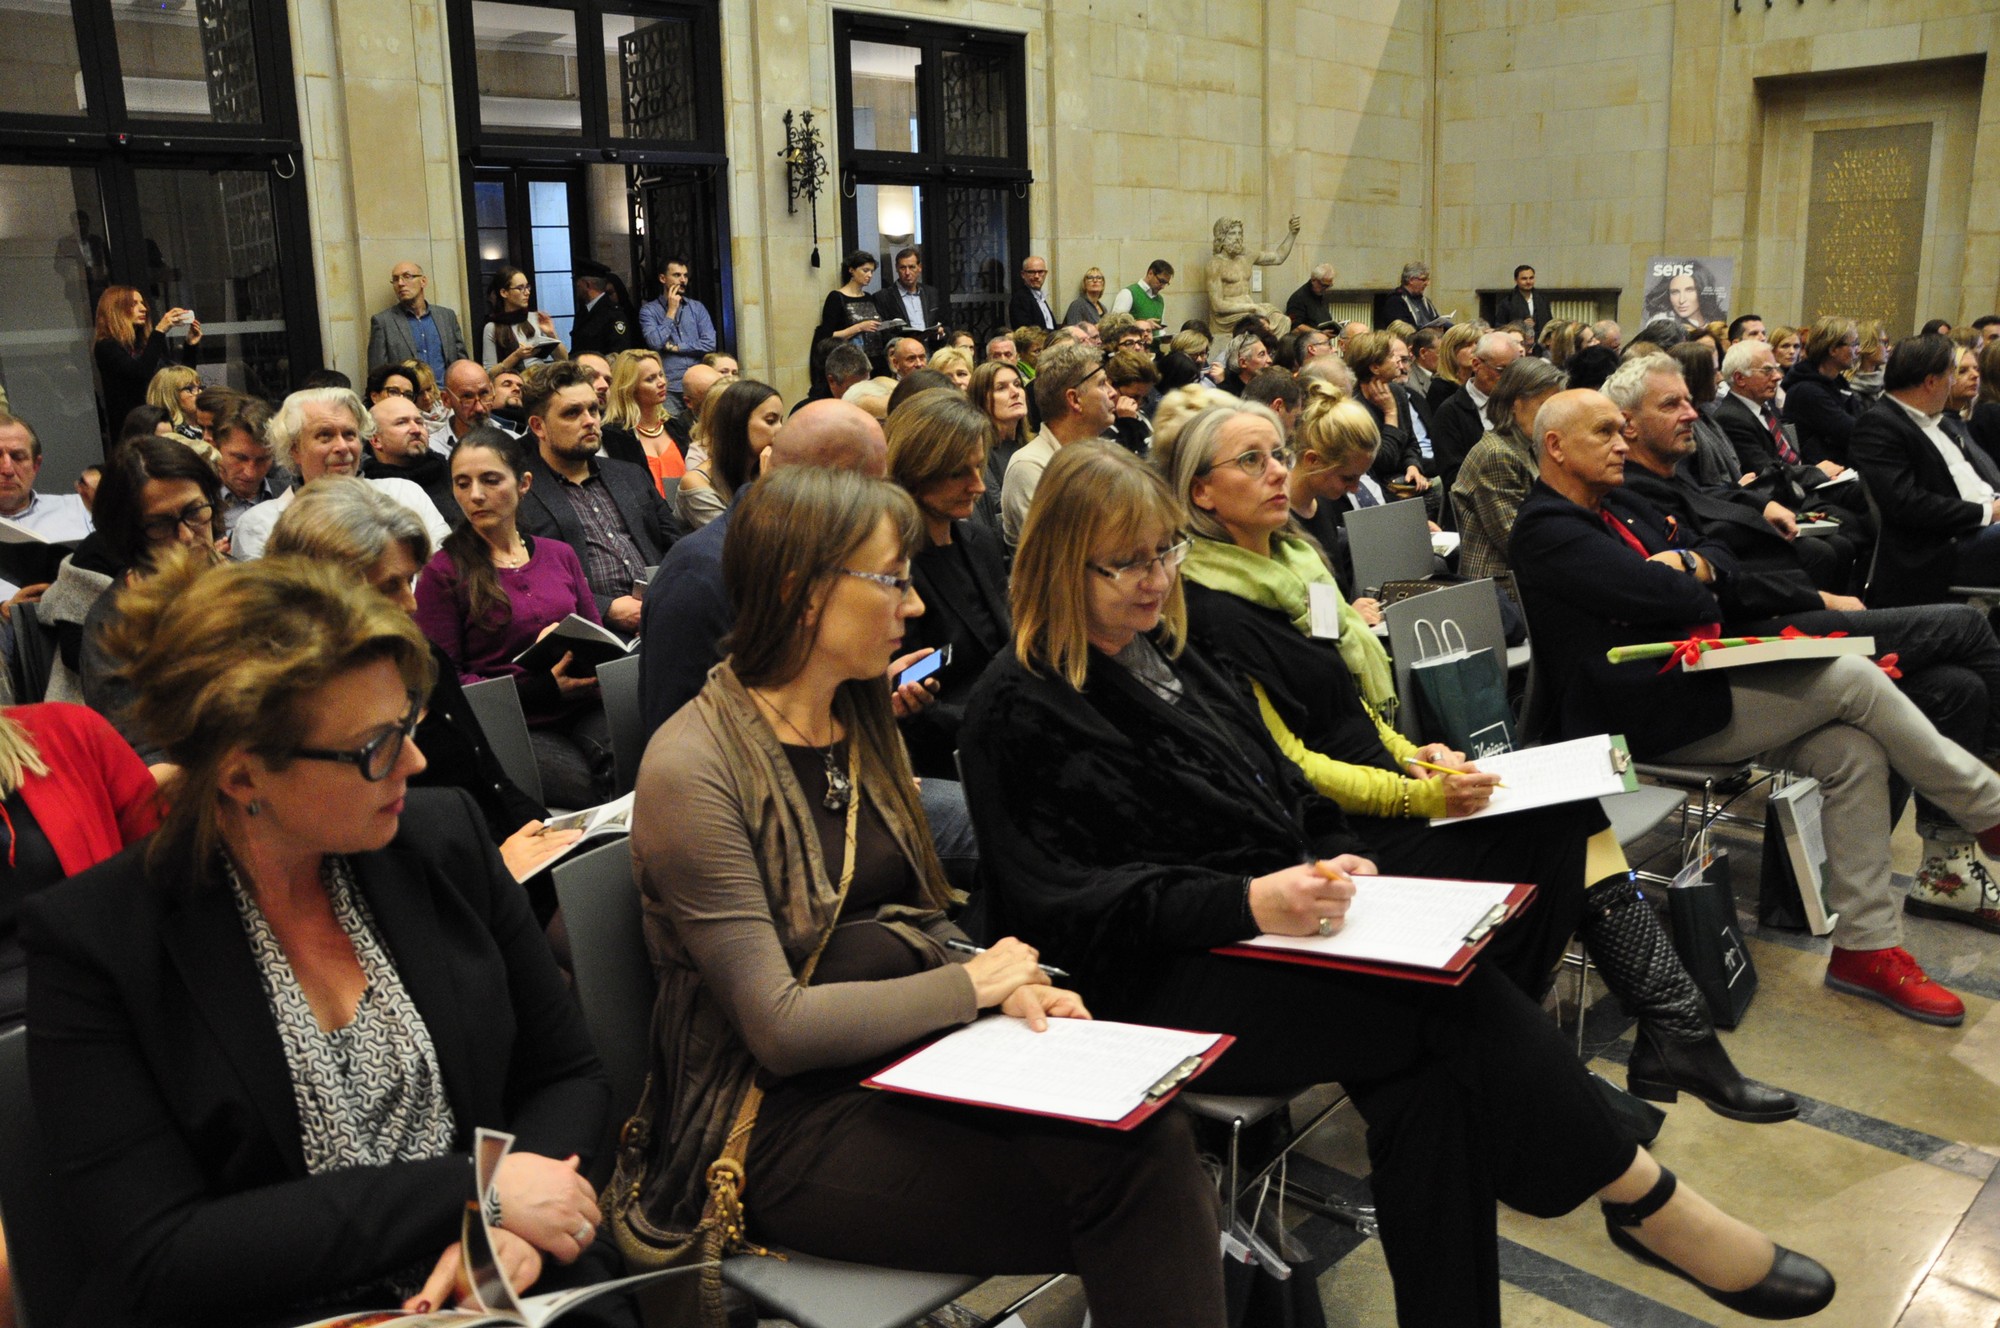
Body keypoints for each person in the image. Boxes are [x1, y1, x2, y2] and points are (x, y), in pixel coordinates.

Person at [958, 440, 1834, 1326]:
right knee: (1441, 1006)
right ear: (1063, 564)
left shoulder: (1174, 653)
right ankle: (1643, 1200)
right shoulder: (1020, 703)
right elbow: (1060, 905)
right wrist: (1247, 900)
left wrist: (1340, 852)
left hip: (1269, 927)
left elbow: (1287, 786)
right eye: (1127, 564)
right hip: (1156, 976)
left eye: (1163, 553)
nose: (1154, 580)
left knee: (1430, 1079)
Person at [628, 463, 1225, 1326]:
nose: (914, 607)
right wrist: (970, 985)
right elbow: (780, 1029)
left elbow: (913, 913)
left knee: (1149, 1134)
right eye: (894, 581)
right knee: (1140, 1186)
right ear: (802, 592)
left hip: (908, 1056)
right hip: (771, 1122)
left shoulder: (854, 711)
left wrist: (1005, 979)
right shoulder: (694, 768)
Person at [1162, 394, 1789, 1121]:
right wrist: (1423, 794)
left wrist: (1419, 754)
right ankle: (1573, 1057)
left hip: (1390, 780)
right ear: (1201, 492)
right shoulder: (1208, 607)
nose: (1277, 471)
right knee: (1550, 832)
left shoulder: (1296, 564)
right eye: (1251, 461)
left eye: (1276, 453)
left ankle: (1620, 1045)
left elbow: (1352, 711)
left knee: (1565, 813)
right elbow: (1293, 763)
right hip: (1336, 830)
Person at [25, 553, 616, 1322]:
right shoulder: (98, 941)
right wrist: (477, 1192)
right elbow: (162, 1249)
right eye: (375, 747)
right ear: (242, 778)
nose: (416, 759)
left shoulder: (440, 841)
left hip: (493, 1282)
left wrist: (505, 1236)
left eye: (406, 723)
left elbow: (568, 1074)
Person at [1512, 387, 2000, 1025]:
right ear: (1555, 447)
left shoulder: (1622, 503)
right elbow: (1675, 598)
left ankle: (1867, 949)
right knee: (1853, 680)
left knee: (1853, 752)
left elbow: (1720, 562)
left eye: (1622, 431)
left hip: (1698, 689)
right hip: (1638, 723)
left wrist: (1696, 567)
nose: (1622, 443)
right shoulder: (1545, 529)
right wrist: (1696, 582)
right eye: (1604, 432)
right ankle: (1988, 808)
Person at [267, 478, 575, 899]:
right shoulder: (300, 707)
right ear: (319, 591)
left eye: (408, 581)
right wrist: (497, 870)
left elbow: (493, 783)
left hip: (504, 864)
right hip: (448, 893)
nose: (410, 604)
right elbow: (367, 873)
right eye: (387, 587)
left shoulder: (420, 655)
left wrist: (552, 834)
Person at [417, 426, 615, 811]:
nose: (475, 495)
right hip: (515, 720)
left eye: (490, 480)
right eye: (462, 483)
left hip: (582, 703)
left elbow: (599, 637)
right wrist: (540, 687)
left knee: (631, 758)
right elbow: (444, 680)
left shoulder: (558, 554)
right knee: (585, 792)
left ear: (524, 483)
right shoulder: (443, 572)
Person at [885, 390, 1009, 780]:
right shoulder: (893, 566)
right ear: (917, 472)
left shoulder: (979, 540)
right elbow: (911, 700)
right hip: (944, 759)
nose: (978, 486)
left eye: (979, 467)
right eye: (960, 473)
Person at [515, 361, 674, 634]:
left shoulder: (630, 475)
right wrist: (605, 608)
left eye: (593, 409)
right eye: (572, 413)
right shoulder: (522, 496)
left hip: (664, 611)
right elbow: (529, 586)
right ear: (538, 427)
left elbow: (677, 543)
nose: (589, 420)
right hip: (592, 632)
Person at [1852, 334, 2000, 606]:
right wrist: (1986, 512)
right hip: (1940, 548)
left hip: (1978, 528)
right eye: (1951, 375)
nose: (1953, 383)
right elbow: (1905, 503)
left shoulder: (1942, 421)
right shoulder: (1879, 426)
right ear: (1932, 382)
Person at [230, 388, 452, 562]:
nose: (343, 447)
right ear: (294, 449)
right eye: (325, 436)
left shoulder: (405, 494)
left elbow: (444, 575)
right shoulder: (261, 524)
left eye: (349, 434)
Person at [1453, 356, 1569, 579]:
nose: (1553, 418)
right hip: (1500, 590)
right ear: (1516, 404)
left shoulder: (1529, 446)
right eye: (1545, 407)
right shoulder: (1497, 454)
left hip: (1526, 578)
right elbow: (1518, 542)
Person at [1001, 342, 1117, 546]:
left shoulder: (1106, 452)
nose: (1113, 392)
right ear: (1074, 399)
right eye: (1101, 384)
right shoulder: (1029, 466)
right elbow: (1061, 555)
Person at [92, 285, 198, 454]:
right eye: (134, 304)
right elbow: (140, 373)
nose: (143, 309)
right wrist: (160, 331)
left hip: (163, 425)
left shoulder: (145, 345)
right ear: (116, 309)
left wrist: (190, 346)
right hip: (136, 435)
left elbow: (177, 383)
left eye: (143, 303)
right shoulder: (107, 346)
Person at [675, 378, 782, 532]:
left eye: (781, 420)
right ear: (738, 424)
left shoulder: (763, 468)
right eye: (770, 421)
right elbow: (741, 546)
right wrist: (765, 489)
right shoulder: (697, 483)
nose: (781, 429)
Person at [597, 349, 686, 497]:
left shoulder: (679, 427)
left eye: (661, 375)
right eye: (650, 379)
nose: (662, 383)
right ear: (630, 387)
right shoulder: (613, 436)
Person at [363, 391, 458, 521]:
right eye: (402, 422)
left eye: (419, 422)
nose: (416, 430)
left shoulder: (451, 472)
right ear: (375, 440)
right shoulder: (368, 492)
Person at [1781, 316, 1865, 465]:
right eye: (1854, 344)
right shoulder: (1806, 391)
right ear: (1833, 349)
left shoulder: (1838, 384)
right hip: (1822, 478)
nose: (1859, 350)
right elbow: (1852, 432)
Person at [637, 255, 716, 407]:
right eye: (677, 275)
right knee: (671, 428)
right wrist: (671, 311)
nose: (683, 280)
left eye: (685, 275)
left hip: (697, 385)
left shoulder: (697, 308)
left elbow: (709, 344)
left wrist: (676, 347)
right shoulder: (649, 311)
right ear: (662, 278)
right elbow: (655, 342)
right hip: (669, 387)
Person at [367, 260, 468, 376]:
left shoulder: (446, 317)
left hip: (445, 392)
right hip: (408, 393)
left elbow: (462, 364)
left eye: (407, 276)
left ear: (423, 281)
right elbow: (377, 374)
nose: (400, 283)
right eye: (395, 279)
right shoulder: (383, 322)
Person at [968, 357, 1029, 537]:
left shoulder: (1032, 444)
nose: (1015, 392)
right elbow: (999, 512)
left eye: (1017, 385)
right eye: (1001, 388)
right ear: (981, 401)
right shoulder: (980, 454)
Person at [812, 250, 887, 387]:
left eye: (871, 271)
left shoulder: (869, 297)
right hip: (851, 363)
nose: (869, 275)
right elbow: (826, 336)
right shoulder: (836, 297)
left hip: (875, 360)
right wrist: (859, 327)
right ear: (851, 270)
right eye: (865, 270)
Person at [481, 265, 568, 373]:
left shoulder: (535, 318)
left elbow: (563, 360)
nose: (527, 292)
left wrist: (552, 334)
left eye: (527, 287)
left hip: (541, 379)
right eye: (520, 288)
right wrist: (516, 356)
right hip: (515, 382)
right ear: (504, 293)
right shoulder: (492, 327)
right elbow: (490, 373)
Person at [872, 245, 945, 346]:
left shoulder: (931, 293)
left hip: (930, 350)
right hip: (902, 352)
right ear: (897, 268)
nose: (907, 272)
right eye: (903, 268)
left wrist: (940, 333)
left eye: (911, 267)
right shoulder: (883, 297)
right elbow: (881, 333)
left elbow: (945, 324)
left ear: (919, 268)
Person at [568, 260, 641, 358]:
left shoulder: (613, 314)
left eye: (578, 282)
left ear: (587, 285)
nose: (576, 286)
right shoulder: (582, 313)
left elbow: (617, 354)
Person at [146, 365, 206, 443]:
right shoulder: (165, 432)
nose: (199, 393)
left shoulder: (208, 426)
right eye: (189, 389)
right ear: (169, 395)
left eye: (199, 388)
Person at [1381, 261, 1438, 328]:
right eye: (1423, 279)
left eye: (1428, 279)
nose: (1427, 283)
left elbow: (1437, 319)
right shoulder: (1395, 301)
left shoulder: (1426, 301)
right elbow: (1402, 330)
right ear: (1411, 280)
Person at [1008, 254, 1058, 331]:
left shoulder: (1041, 297)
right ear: (1023, 274)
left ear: (1045, 273)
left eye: (1040, 272)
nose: (1036, 276)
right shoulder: (1019, 299)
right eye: (1031, 272)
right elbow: (1025, 333)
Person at [1493, 264, 1544, 339]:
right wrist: (1519, 326)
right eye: (1524, 279)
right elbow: (1498, 327)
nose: (1528, 281)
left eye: (1531, 278)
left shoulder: (1542, 300)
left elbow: (1548, 323)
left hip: (1539, 345)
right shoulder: (1507, 302)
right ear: (1516, 280)